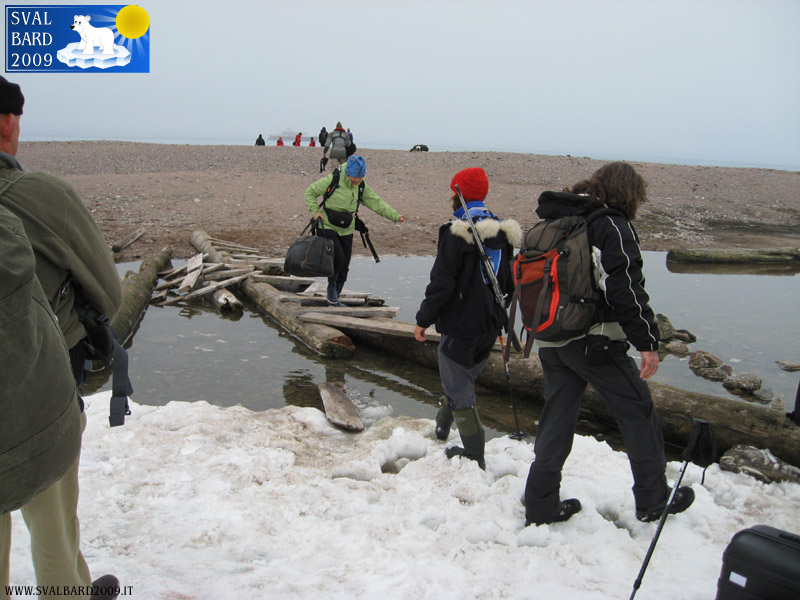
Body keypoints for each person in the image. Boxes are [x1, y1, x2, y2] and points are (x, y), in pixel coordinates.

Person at [0, 75, 122, 599]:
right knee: (51, 519)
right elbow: (110, 295)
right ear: (8, 122)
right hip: (38, 394)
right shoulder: (42, 196)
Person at [522, 161, 695, 526]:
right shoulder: (610, 224)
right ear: (629, 193)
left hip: (552, 339)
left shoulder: (560, 220)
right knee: (638, 411)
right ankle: (653, 500)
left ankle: (539, 504)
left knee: (557, 419)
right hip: (596, 342)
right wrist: (647, 342)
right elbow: (625, 288)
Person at [414, 167, 522, 470]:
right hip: (491, 321)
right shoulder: (503, 230)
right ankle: (441, 429)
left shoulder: (457, 230)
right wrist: (499, 312)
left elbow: (442, 282)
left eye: (453, 190)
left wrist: (423, 319)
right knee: (462, 377)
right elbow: (509, 280)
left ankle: (475, 454)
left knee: (458, 385)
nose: (450, 195)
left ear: (458, 192)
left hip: (462, 322)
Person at [304, 154, 404, 306]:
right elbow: (310, 192)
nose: (356, 181)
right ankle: (331, 290)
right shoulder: (334, 179)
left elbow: (376, 202)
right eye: (353, 178)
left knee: (345, 263)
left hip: (347, 226)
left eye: (359, 178)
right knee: (337, 258)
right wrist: (315, 211)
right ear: (347, 173)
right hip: (328, 225)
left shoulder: (361, 185)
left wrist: (395, 216)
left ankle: (336, 295)